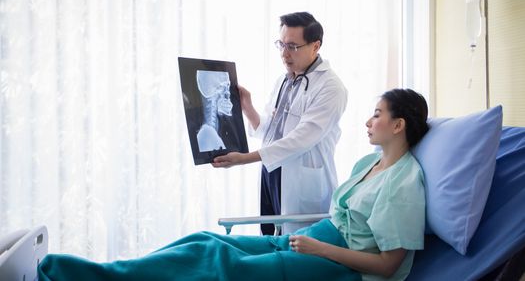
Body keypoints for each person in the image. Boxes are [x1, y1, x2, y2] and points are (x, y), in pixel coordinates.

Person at [38, 88, 429, 281]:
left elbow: (389, 265)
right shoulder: (369, 163)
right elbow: (275, 131)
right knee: (205, 242)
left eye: (376, 115)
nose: (367, 121)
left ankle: (92, 277)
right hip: (311, 239)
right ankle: (111, 271)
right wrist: (248, 109)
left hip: (334, 262)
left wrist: (318, 247)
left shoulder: (403, 184)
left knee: (221, 266)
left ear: (399, 125)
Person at [213, 11, 348, 235]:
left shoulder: (331, 87)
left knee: (297, 246)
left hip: (301, 178)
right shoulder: (285, 79)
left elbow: (301, 139)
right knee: (269, 237)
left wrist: (244, 159)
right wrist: (247, 107)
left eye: (293, 47)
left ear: (315, 46)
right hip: (271, 171)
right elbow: (271, 130)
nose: (284, 54)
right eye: (281, 45)